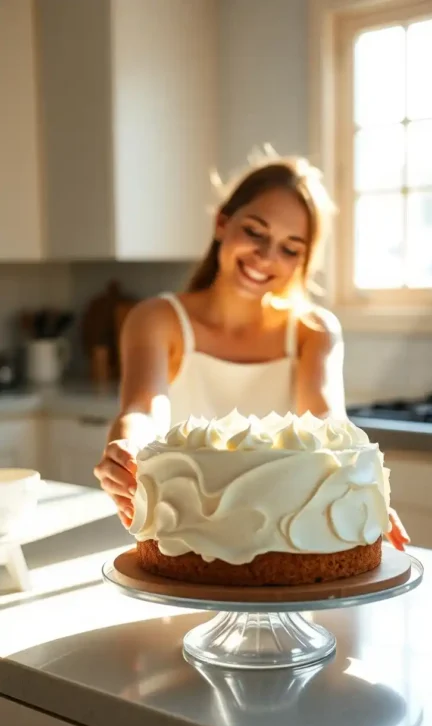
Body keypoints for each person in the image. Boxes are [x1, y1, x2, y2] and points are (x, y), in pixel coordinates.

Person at [94, 148, 408, 551]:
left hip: (285, 547)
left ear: (303, 260)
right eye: (255, 232)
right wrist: (126, 450)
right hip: (181, 542)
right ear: (222, 223)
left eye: (290, 248)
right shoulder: (157, 318)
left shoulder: (314, 331)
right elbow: (142, 408)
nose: (266, 257)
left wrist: (363, 488)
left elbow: (328, 424)